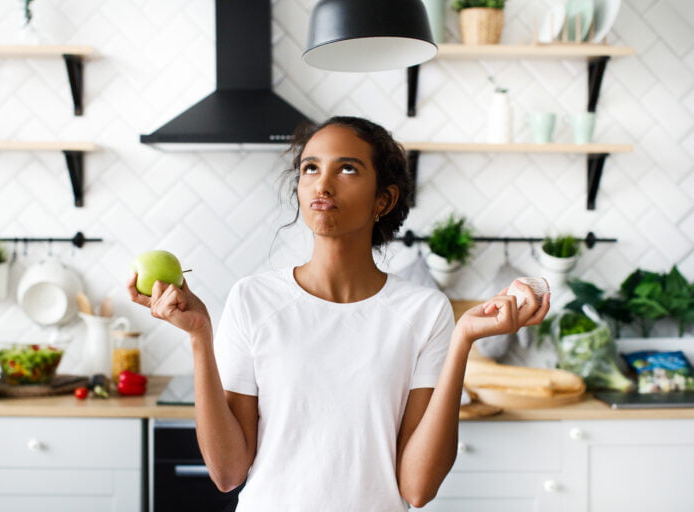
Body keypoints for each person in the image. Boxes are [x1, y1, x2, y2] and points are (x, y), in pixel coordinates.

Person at [127, 116, 549, 511]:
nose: (322, 184)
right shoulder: (253, 298)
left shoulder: (423, 311)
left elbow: (417, 489)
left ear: (384, 199)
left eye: (347, 169)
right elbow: (227, 473)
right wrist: (200, 337)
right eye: (310, 168)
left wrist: (462, 342)